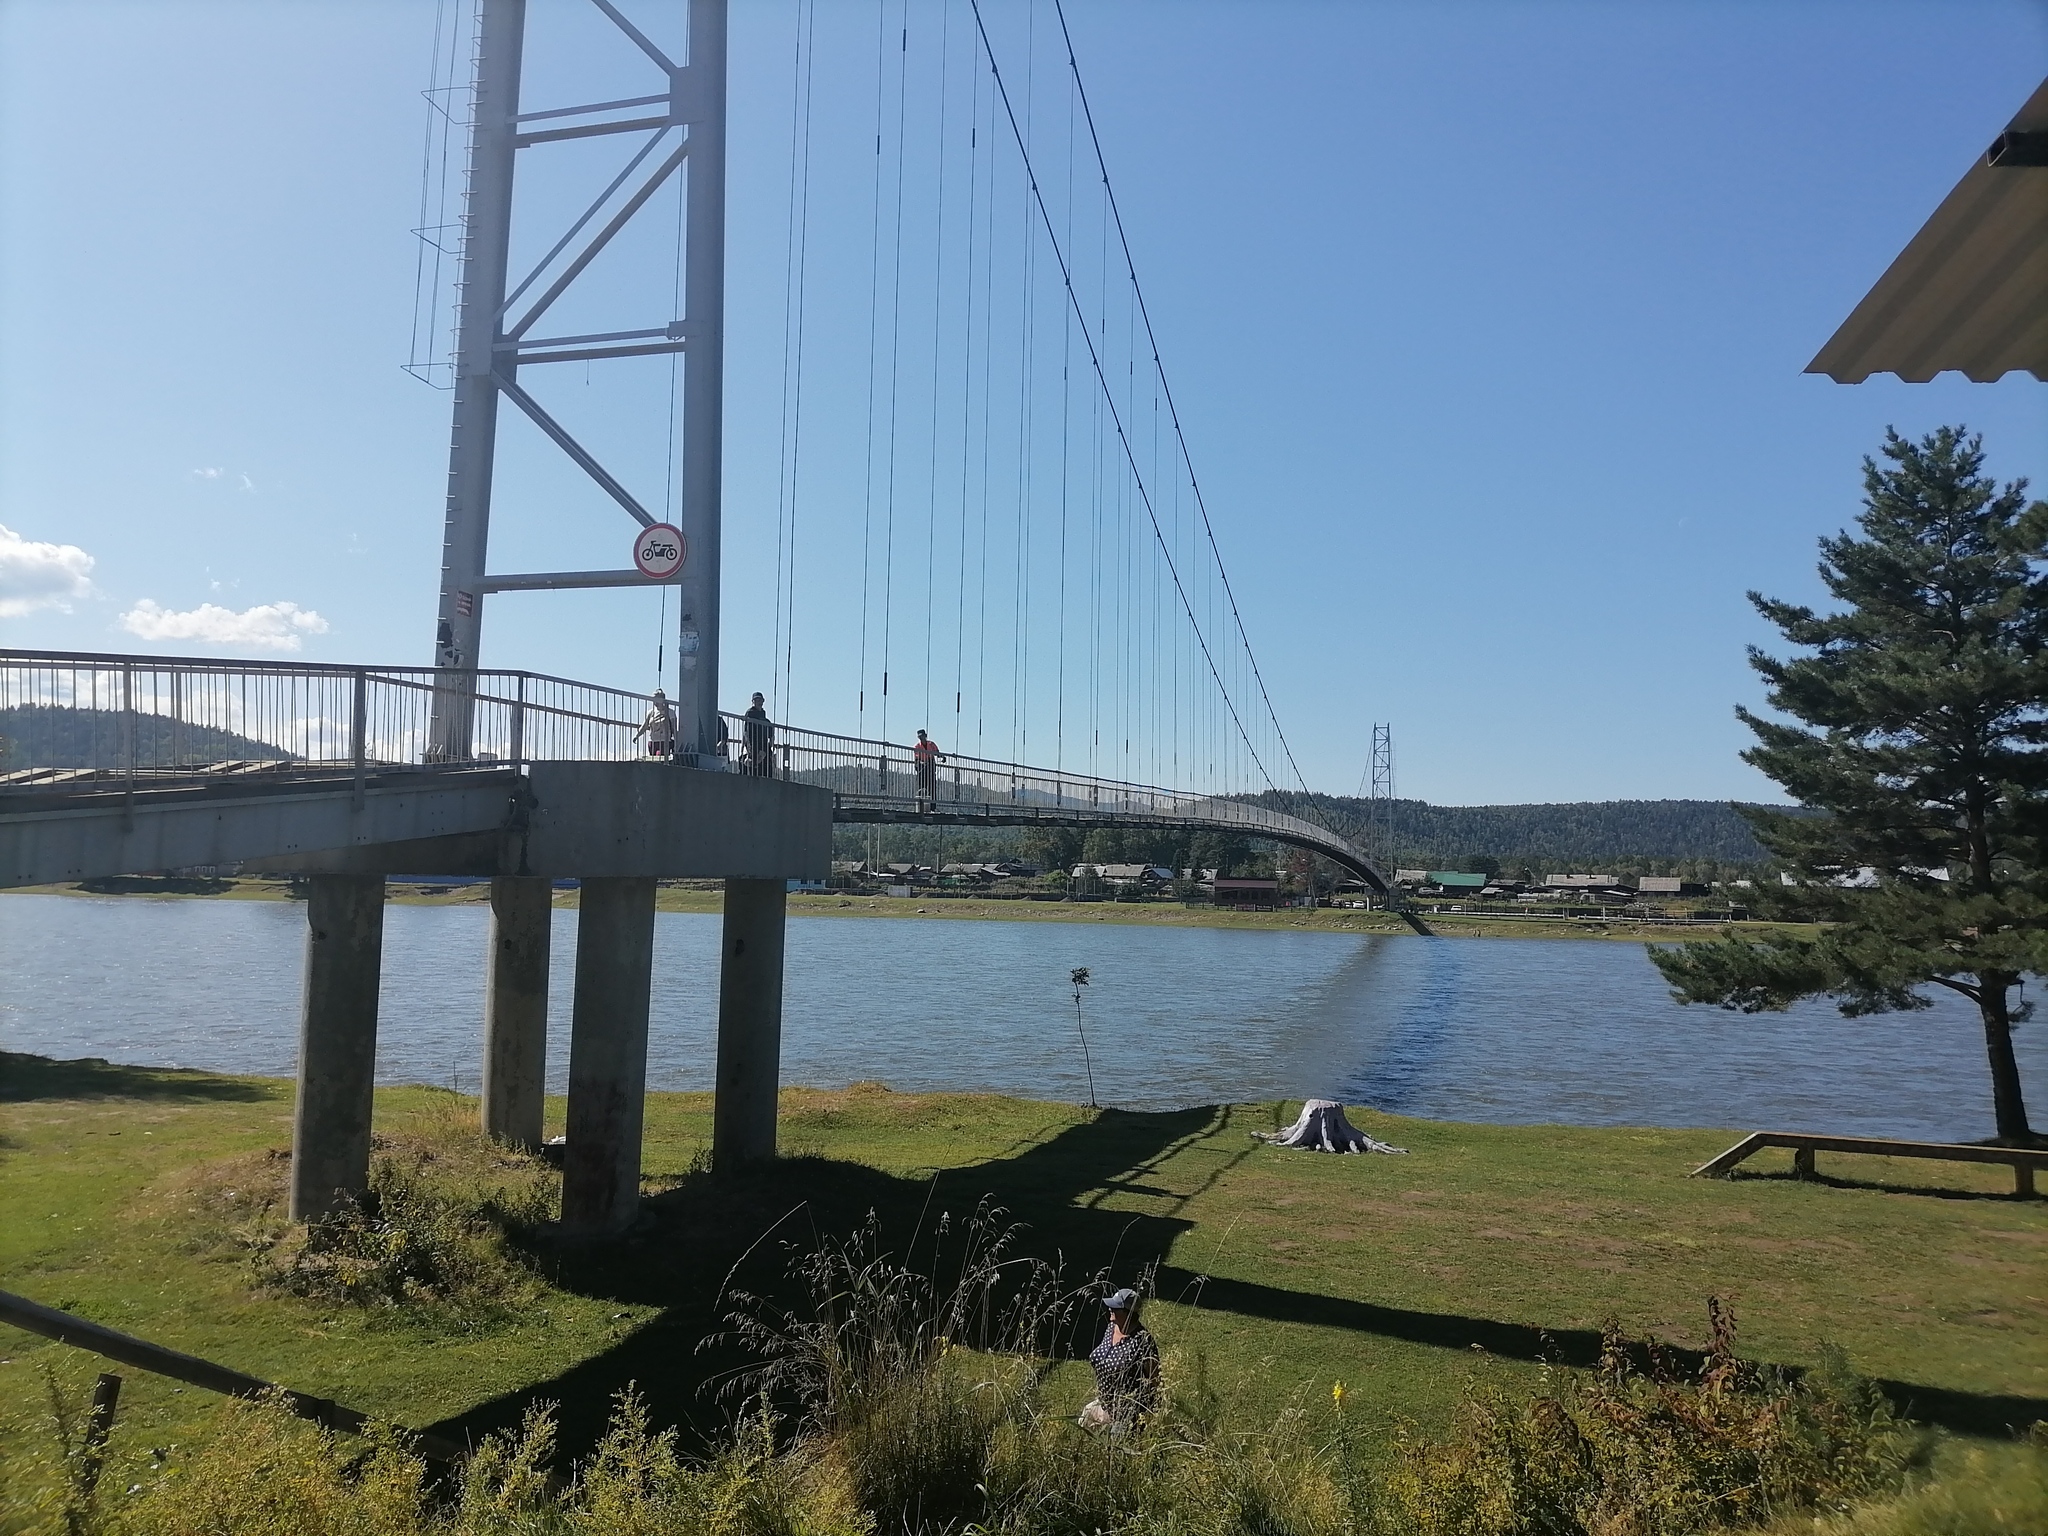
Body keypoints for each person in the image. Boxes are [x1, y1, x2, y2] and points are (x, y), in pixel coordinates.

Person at [1078, 1287, 1157, 1433]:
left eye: (1115, 1307)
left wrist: (1149, 1414)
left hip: (1127, 1413)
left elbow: (1155, 1380)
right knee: (1084, 1421)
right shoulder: (1111, 1328)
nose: (1110, 1309)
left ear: (1128, 1313)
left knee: (1114, 1447)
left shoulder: (1143, 1340)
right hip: (1104, 1403)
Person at [633, 688, 676, 758]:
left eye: (656, 700)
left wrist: (677, 743)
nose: (655, 702)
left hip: (664, 741)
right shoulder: (651, 712)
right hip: (652, 741)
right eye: (653, 700)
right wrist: (637, 736)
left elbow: (674, 728)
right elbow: (644, 725)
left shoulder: (670, 712)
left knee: (660, 759)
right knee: (653, 759)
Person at [742, 692, 774, 777]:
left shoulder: (764, 718)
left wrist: (769, 746)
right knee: (753, 768)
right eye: (757, 700)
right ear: (753, 701)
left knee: (766, 768)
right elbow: (747, 733)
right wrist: (749, 748)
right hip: (753, 745)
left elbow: (771, 734)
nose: (759, 702)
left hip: (763, 746)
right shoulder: (750, 713)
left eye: (760, 700)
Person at [912, 729, 943, 810]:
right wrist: (921, 763)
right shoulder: (917, 746)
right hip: (921, 769)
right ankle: (921, 808)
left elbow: (937, 753)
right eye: (920, 737)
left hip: (930, 767)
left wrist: (942, 757)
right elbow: (917, 758)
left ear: (925, 736)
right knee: (921, 788)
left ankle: (932, 808)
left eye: (922, 736)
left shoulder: (931, 744)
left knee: (932, 788)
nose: (921, 738)